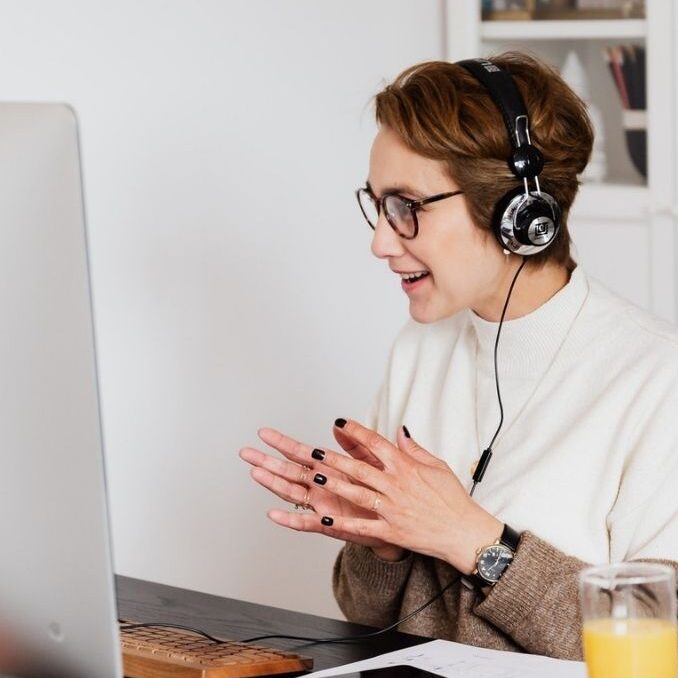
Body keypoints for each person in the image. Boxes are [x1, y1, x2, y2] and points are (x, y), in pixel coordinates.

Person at [239, 52, 678, 660]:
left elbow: (662, 644)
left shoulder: (657, 379)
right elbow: (366, 614)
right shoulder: (420, 350)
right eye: (377, 204)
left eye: (406, 207)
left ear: (520, 216)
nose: (379, 241)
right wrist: (380, 541)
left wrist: (473, 540)